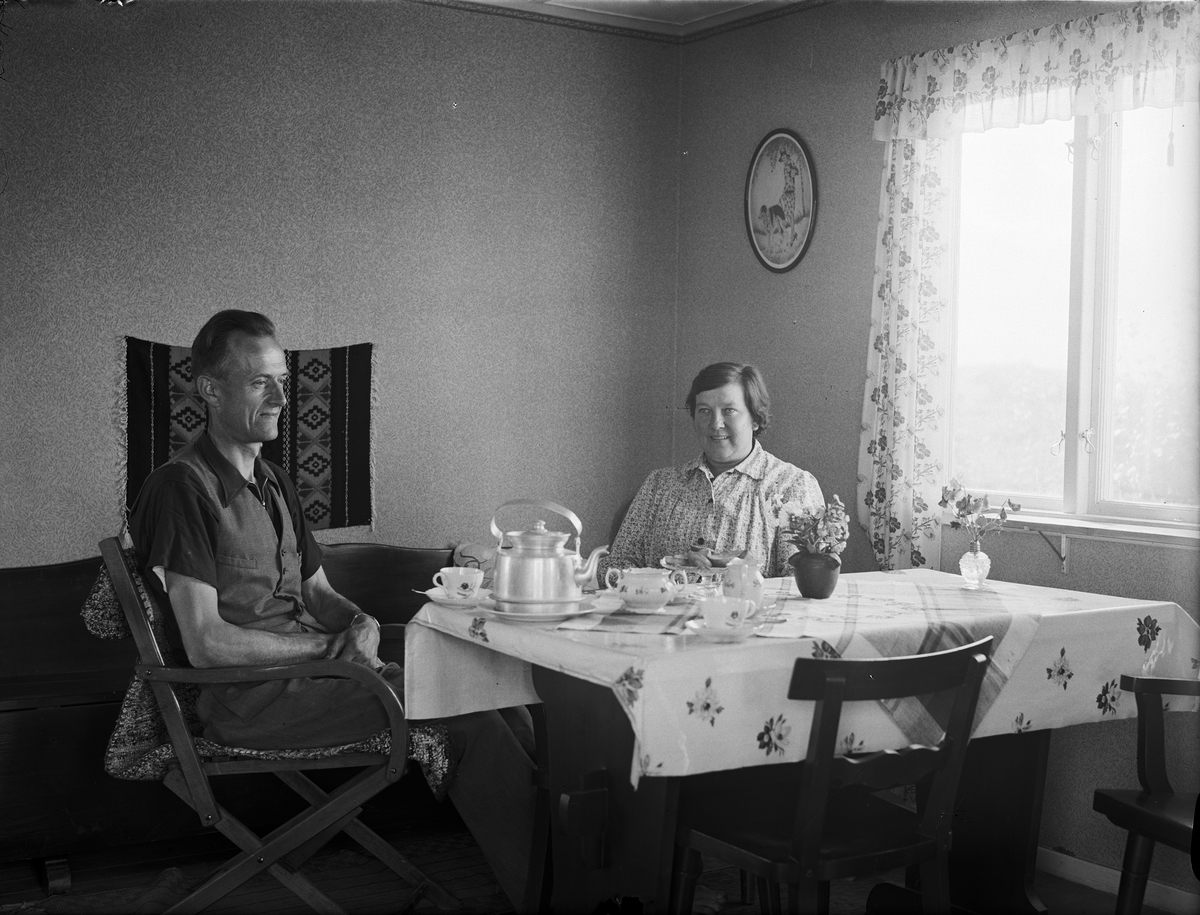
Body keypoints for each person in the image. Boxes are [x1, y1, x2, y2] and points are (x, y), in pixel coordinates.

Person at [128, 310, 535, 909]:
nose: (280, 398)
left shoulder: (274, 481)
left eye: (282, 381)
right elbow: (207, 644)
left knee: (499, 691)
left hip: (319, 679)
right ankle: (552, 893)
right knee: (470, 719)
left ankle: (554, 870)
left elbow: (319, 594)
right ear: (210, 389)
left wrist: (360, 624)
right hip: (251, 700)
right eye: (260, 382)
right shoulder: (180, 489)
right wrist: (329, 648)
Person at [602, 362, 824, 581]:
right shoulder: (659, 485)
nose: (716, 423)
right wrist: (667, 579)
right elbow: (613, 569)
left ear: (755, 419)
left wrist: (743, 575)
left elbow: (807, 583)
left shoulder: (792, 485)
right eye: (704, 411)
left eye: (729, 411)